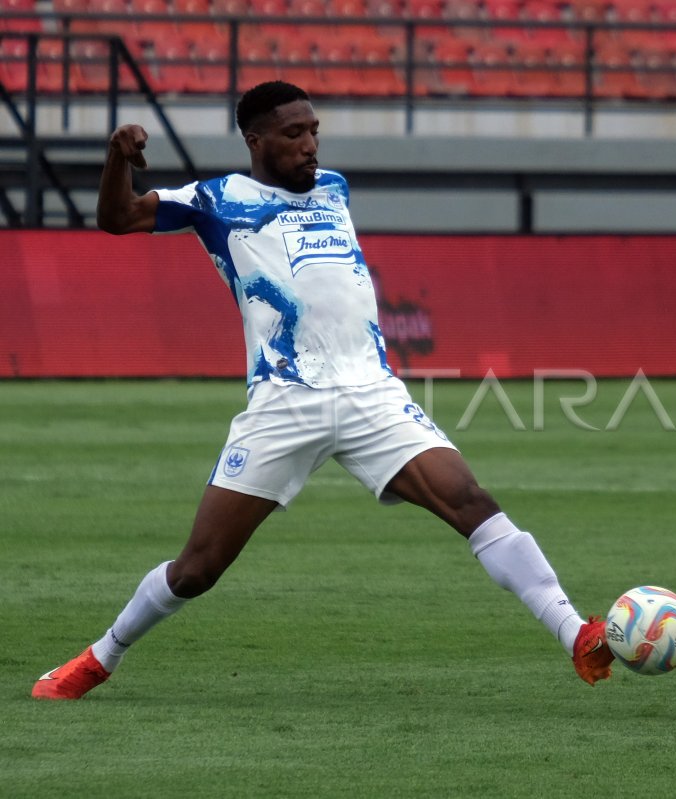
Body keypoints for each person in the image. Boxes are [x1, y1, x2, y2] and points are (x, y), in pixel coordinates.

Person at [31, 81, 614, 700]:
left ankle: (575, 633)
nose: (310, 145)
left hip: (373, 395)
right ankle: (101, 657)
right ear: (255, 141)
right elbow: (116, 218)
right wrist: (118, 158)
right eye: (293, 134)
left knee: (470, 500)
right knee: (198, 568)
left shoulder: (333, 188)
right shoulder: (216, 200)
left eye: (313, 131)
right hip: (284, 402)